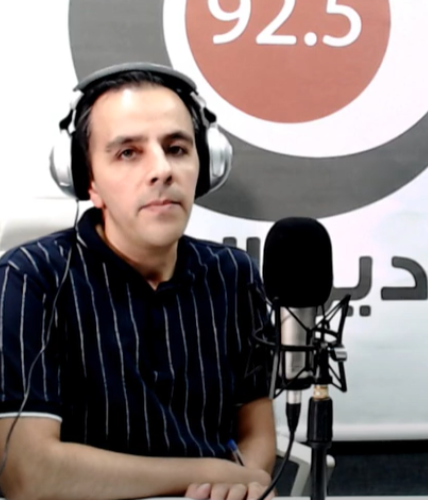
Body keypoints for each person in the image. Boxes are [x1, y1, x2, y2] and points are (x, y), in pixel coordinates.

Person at [0, 63, 277, 500]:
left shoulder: (235, 274)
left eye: (177, 149)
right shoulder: (30, 279)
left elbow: (257, 436)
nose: (162, 170)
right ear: (87, 180)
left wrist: (237, 485)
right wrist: (212, 471)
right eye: (128, 153)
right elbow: (28, 474)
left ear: (206, 166)